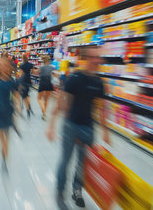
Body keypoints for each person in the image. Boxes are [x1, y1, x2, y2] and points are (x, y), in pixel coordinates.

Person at [46, 48, 110, 210]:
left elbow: (102, 108)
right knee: (66, 160)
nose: (97, 60)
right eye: (94, 57)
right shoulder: (74, 78)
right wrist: (52, 125)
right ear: (86, 58)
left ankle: (77, 191)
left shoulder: (99, 82)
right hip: (71, 126)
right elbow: (61, 101)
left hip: (89, 128)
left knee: (82, 164)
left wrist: (105, 131)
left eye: (99, 57)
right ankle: (60, 191)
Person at [37, 55, 55, 120]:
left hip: (42, 84)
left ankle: (44, 112)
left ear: (43, 61)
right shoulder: (53, 67)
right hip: (49, 84)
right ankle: (44, 113)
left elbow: (37, 73)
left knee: (39, 99)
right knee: (46, 99)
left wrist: (33, 70)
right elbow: (54, 75)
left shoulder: (41, 67)